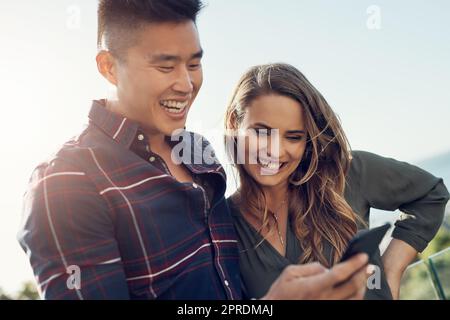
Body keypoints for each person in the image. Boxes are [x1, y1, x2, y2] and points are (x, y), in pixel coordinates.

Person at [17, 1, 369, 300]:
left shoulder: (196, 152)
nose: (186, 85)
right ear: (109, 67)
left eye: (194, 64)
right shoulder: (66, 183)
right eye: (165, 66)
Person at [224, 63, 449, 300]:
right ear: (233, 124)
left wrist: (391, 271)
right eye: (261, 132)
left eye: (294, 137)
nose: (275, 151)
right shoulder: (220, 227)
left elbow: (431, 194)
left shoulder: (345, 174)